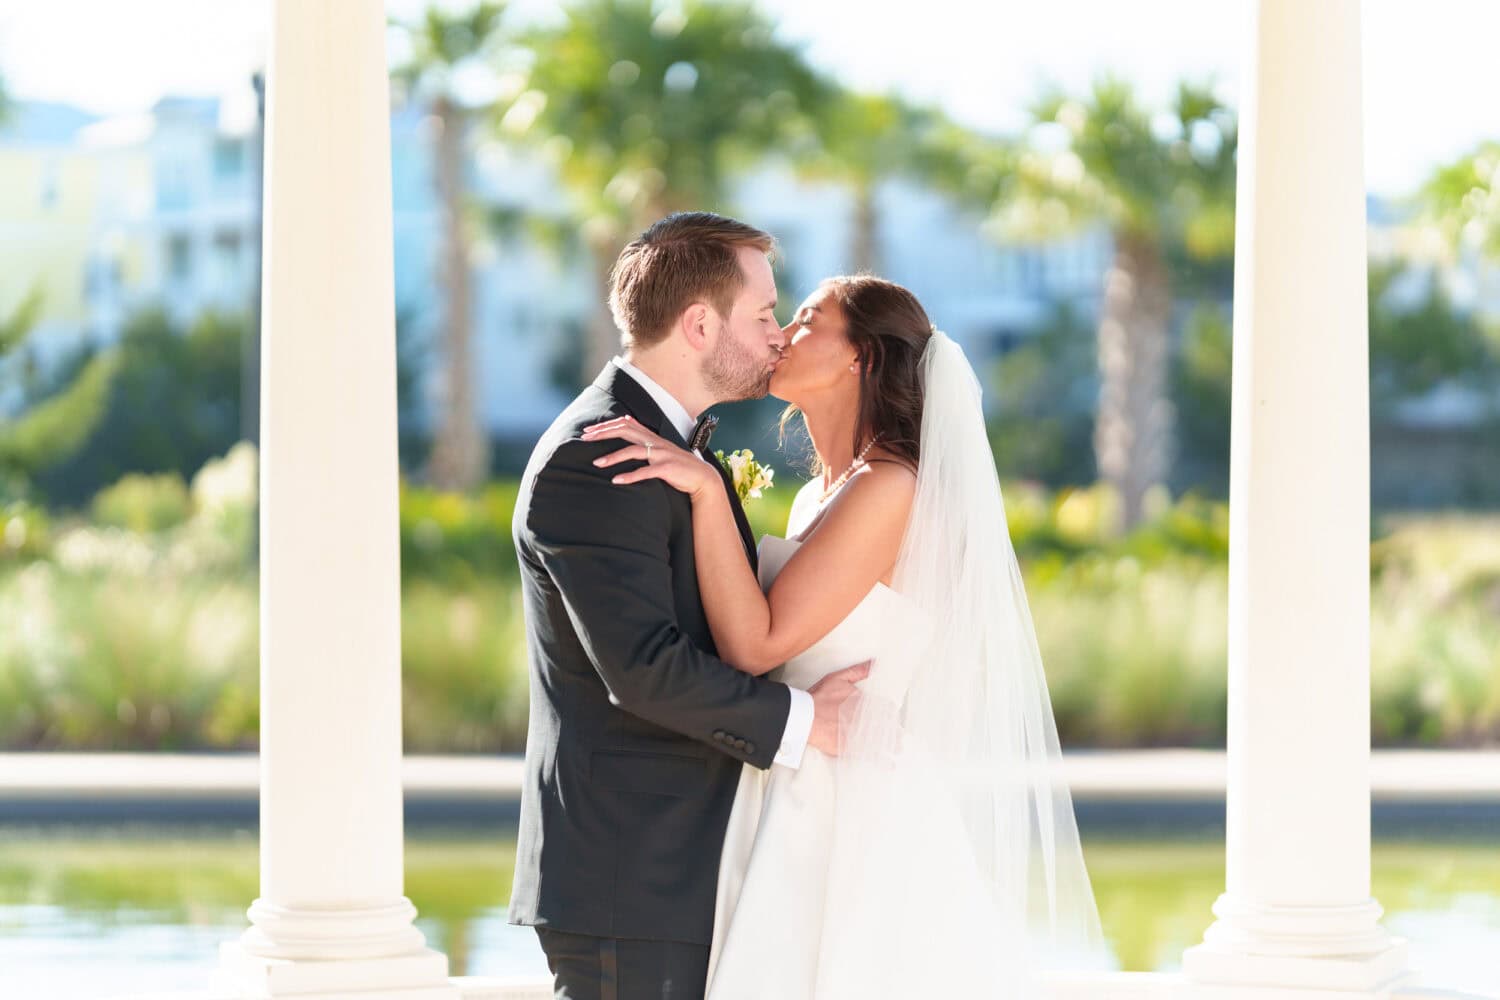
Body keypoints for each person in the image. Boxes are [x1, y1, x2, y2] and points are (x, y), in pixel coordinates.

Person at [584, 274, 1107, 998]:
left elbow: (759, 646)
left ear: (859, 356)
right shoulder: (819, 492)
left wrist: (705, 490)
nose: (781, 336)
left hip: (853, 804)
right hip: (795, 775)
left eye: (805, 320)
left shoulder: (890, 489)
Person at [508, 212, 870, 1000]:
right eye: (766, 314)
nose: (779, 336)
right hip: (629, 879)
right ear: (700, 324)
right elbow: (641, 669)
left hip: (674, 872)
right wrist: (808, 722)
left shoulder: (675, 448)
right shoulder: (601, 455)